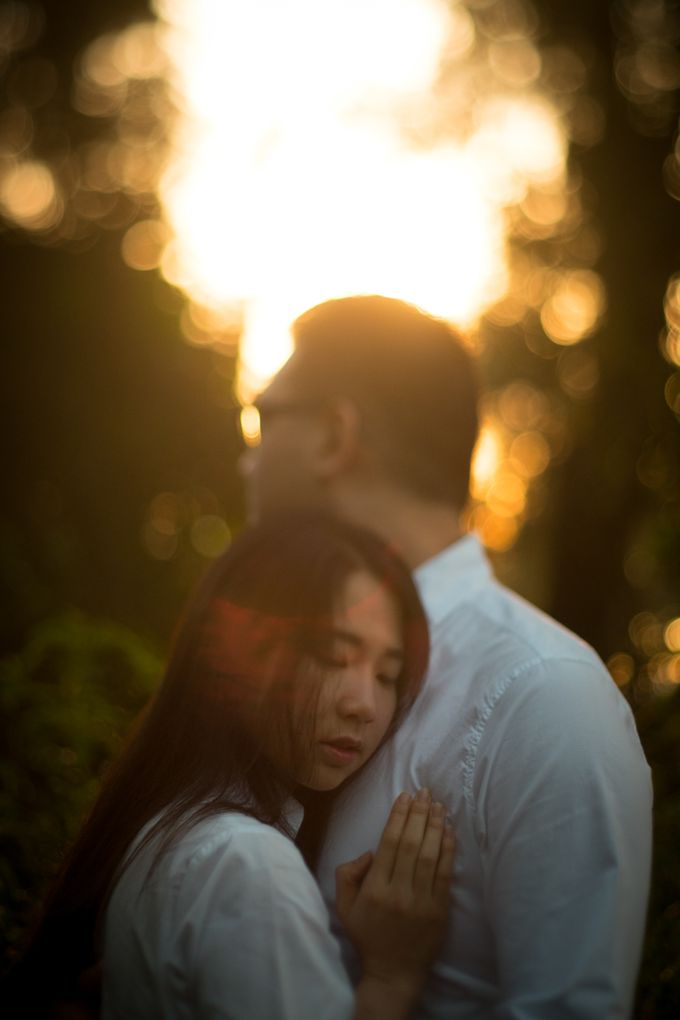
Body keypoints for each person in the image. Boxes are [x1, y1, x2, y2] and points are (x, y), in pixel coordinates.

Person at [239, 294, 653, 1018]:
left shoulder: (545, 696)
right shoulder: (276, 662)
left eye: (261, 419)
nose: (247, 461)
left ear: (335, 436)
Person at [5, 511, 456, 1020]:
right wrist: (392, 977)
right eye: (332, 655)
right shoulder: (248, 866)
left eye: (387, 674)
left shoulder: (170, 825)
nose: (365, 705)